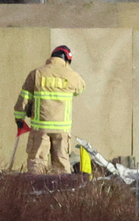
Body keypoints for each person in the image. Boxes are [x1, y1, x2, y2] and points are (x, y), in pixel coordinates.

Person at [14, 45, 86, 174]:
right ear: (67, 60)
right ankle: (63, 192)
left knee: (37, 164)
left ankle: (35, 192)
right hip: (62, 130)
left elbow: (24, 99)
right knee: (61, 165)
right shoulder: (72, 76)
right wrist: (67, 71)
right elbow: (80, 88)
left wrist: (19, 118)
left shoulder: (37, 73)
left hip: (40, 128)